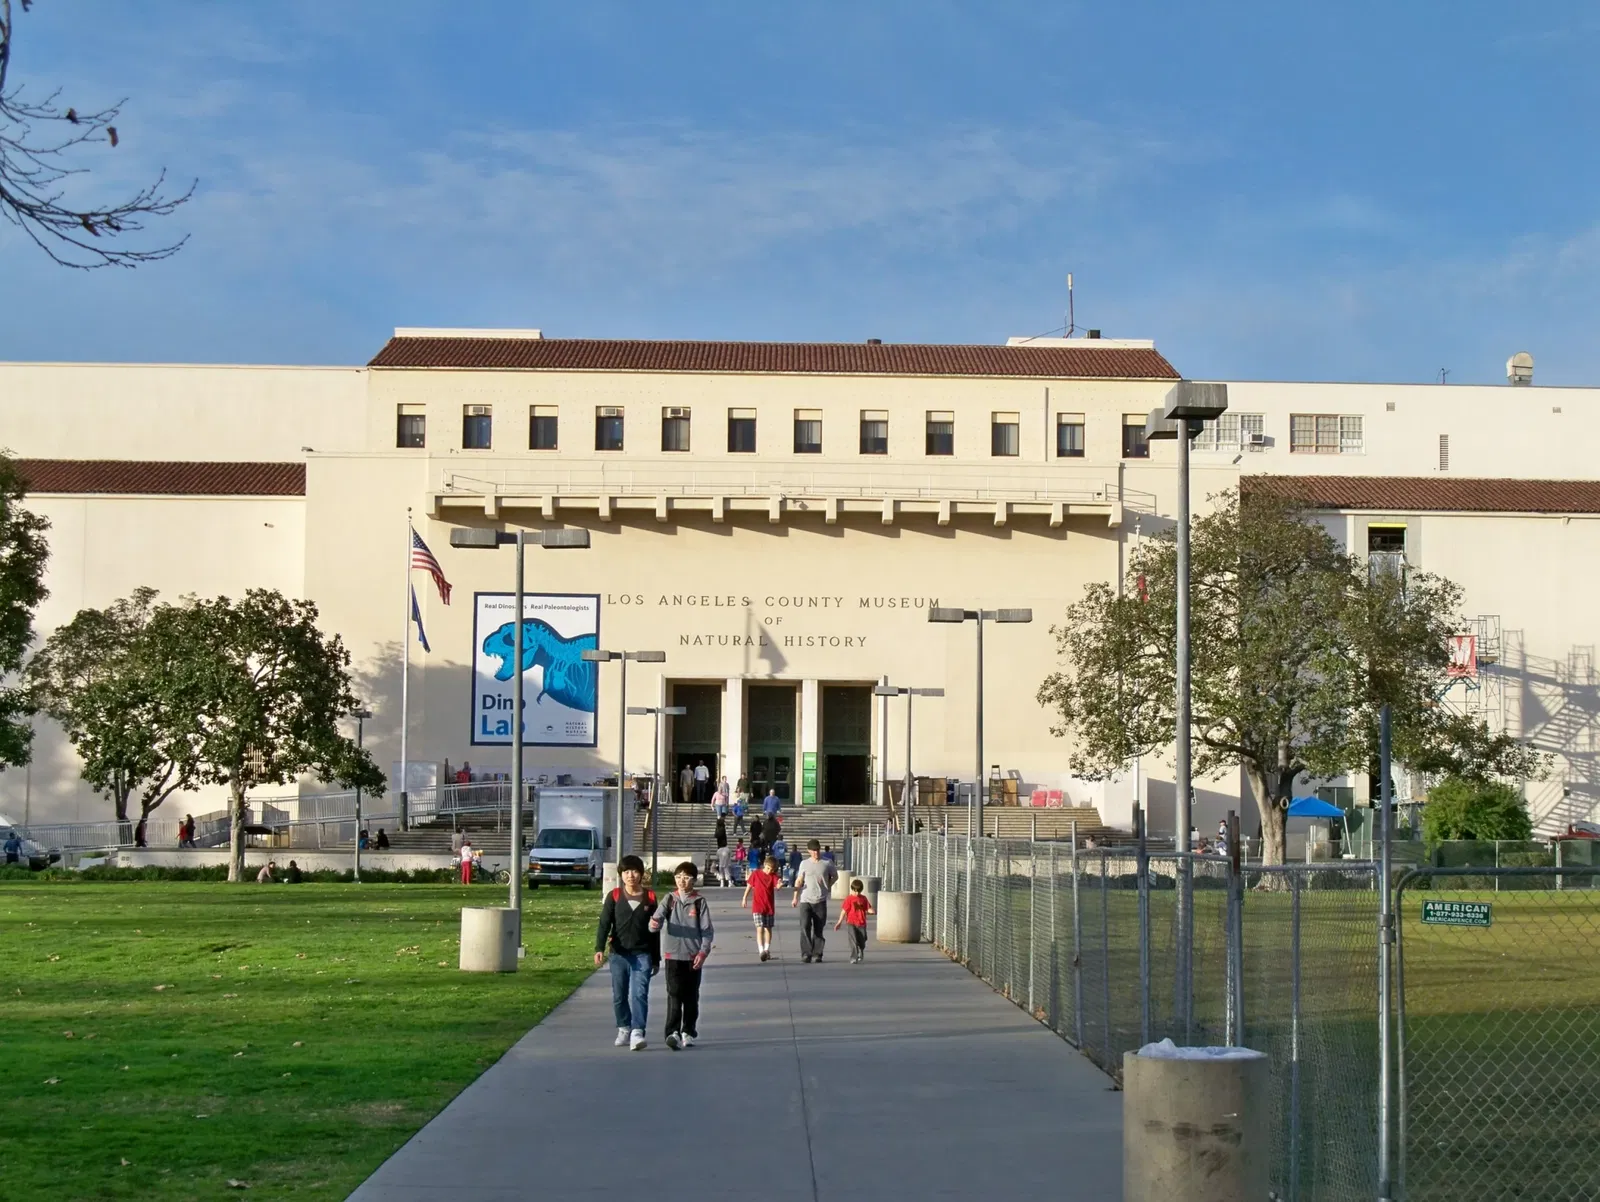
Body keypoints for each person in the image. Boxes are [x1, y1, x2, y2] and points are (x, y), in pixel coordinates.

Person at [594, 854, 660, 1052]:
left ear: (641, 874)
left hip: (642, 954)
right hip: (619, 954)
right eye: (626, 872)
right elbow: (604, 924)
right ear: (621, 875)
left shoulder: (650, 897)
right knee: (619, 995)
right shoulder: (614, 896)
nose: (631, 875)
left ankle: (637, 1031)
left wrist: (655, 958)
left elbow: (655, 931)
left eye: (635, 871)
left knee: (640, 994)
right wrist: (599, 948)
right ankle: (624, 1027)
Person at [649, 861, 714, 1050]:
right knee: (674, 994)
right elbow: (656, 920)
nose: (681, 881)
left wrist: (703, 952)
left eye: (686, 877)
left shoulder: (699, 902)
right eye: (678, 877)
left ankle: (688, 1031)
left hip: (693, 956)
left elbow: (707, 931)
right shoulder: (669, 899)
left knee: (691, 996)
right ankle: (672, 1032)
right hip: (673, 956)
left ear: (694, 879)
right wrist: (653, 924)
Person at [791, 839, 837, 963]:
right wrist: (795, 897)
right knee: (805, 926)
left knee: (818, 929)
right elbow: (799, 880)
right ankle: (806, 953)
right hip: (806, 900)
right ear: (809, 851)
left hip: (820, 900)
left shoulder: (827, 863)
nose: (816, 853)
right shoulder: (804, 864)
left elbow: (835, 876)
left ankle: (817, 953)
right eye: (813, 851)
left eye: (817, 850)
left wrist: (828, 885)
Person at [741, 853, 781, 961]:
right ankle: (761, 950)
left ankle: (767, 949)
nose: (769, 871)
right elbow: (749, 885)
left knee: (768, 928)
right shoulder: (756, 874)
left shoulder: (773, 876)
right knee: (759, 928)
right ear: (764, 865)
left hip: (769, 906)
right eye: (768, 868)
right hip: (757, 906)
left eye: (771, 869)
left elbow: (777, 884)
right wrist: (744, 897)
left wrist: (779, 885)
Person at [835, 878, 875, 964]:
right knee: (853, 940)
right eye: (855, 891)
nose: (856, 893)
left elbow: (867, 908)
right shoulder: (849, 899)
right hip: (851, 922)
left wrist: (871, 910)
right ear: (852, 889)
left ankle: (861, 949)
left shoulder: (863, 899)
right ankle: (854, 957)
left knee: (862, 939)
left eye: (858, 891)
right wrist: (839, 922)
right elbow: (844, 911)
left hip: (861, 923)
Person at [714, 816, 731, 887]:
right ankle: (729, 881)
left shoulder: (720, 829)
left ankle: (723, 881)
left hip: (721, 848)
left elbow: (716, 835)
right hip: (723, 848)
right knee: (725, 866)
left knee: (722, 866)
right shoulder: (722, 828)